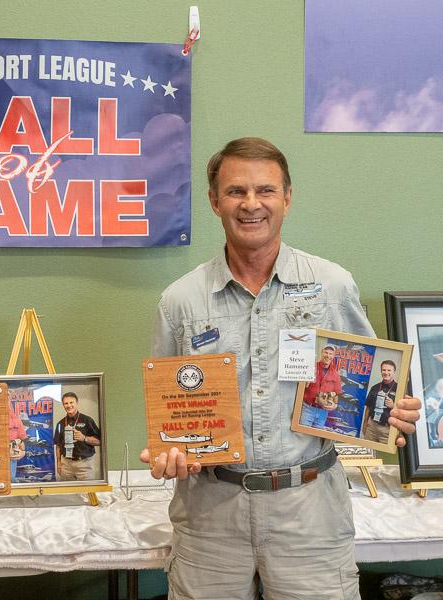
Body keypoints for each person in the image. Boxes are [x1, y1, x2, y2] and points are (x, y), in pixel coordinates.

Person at [141, 137, 421, 600]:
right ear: (214, 201)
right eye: (236, 191)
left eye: (265, 190)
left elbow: (377, 381)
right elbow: (169, 412)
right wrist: (170, 451)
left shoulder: (332, 286)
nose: (251, 204)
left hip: (309, 514)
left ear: (287, 198)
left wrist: (396, 410)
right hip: (210, 515)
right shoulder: (180, 301)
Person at [53, 392, 101, 481]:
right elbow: (58, 445)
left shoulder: (87, 420)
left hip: (84, 464)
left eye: (71, 402)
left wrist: (84, 438)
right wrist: (58, 463)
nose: (69, 405)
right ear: (63, 405)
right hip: (66, 464)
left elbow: (99, 441)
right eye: (66, 403)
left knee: (88, 489)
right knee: (68, 489)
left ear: (77, 403)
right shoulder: (60, 424)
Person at [299, 345, 343, 428]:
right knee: (302, 434)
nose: (328, 356)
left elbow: (336, 394)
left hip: (323, 412)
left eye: (330, 354)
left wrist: (335, 405)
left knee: (315, 436)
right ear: (322, 353)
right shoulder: (311, 368)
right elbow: (300, 387)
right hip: (307, 408)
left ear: (333, 356)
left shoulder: (335, 374)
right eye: (326, 352)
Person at [362, 360, 399, 443]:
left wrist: (393, 406)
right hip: (371, 427)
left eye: (389, 370)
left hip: (387, 430)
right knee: (368, 449)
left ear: (394, 372)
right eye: (384, 370)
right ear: (381, 371)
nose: (386, 372)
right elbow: (368, 407)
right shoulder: (375, 387)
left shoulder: (399, 389)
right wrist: (365, 424)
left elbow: (402, 412)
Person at [8, 403, 28, 480]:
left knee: (11, 479)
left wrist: (23, 452)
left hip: (12, 457)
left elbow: (23, 439)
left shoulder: (16, 421)